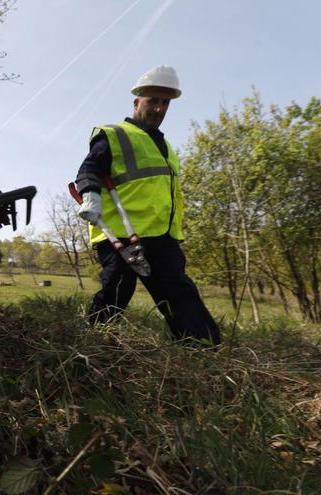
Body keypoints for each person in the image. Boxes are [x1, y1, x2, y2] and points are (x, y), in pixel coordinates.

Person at [74, 65, 221, 344]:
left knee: (179, 291)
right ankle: (90, 342)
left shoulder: (166, 148)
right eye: (153, 100)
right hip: (120, 233)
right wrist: (90, 194)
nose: (159, 108)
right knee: (118, 288)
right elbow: (89, 168)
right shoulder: (114, 134)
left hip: (162, 237)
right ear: (137, 101)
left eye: (165, 103)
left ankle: (203, 348)